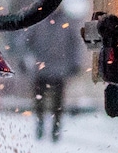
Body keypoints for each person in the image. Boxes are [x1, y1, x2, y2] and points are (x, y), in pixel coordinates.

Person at [20, 14, 83, 142]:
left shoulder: (66, 22)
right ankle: (40, 124)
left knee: (57, 103)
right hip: (41, 70)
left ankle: (55, 128)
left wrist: (75, 63)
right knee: (39, 102)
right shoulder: (39, 22)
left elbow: (75, 44)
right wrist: (24, 59)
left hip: (59, 71)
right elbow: (25, 41)